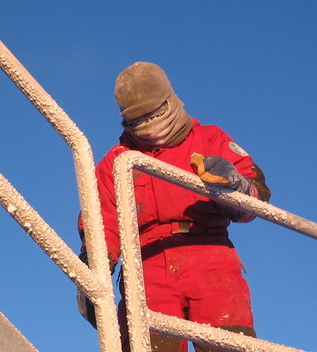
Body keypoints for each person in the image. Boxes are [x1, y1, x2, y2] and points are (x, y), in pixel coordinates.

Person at [77, 62, 271, 352]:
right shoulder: (117, 163)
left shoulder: (210, 140)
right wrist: (94, 273)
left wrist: (234, 184)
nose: (149, 128)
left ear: (170, 102)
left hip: (211, 258)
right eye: (137, 121)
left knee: (230, 343)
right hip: (144, 267)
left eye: (154, 115)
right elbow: (101, 223)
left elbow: (256, 200)